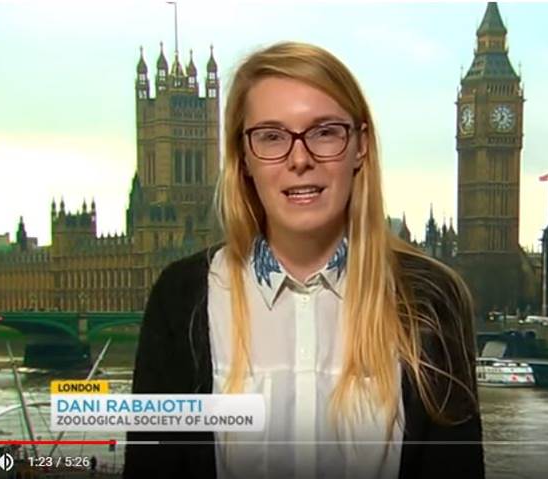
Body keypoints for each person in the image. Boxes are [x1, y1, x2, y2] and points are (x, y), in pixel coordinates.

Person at [124, 41, 484, 479]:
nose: (300, 159)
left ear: (361, 147)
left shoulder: (429, 298)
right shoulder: (182, 298)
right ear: (243, 159)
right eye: (272, 136)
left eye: (325, 132)